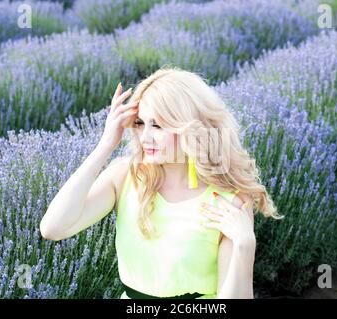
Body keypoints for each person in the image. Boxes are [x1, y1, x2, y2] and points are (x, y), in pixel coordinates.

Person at [40, 66, 282, 299]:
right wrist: (105, 146)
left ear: (191, 127)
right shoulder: (125, 176)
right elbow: (53, 228)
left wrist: (245, 245)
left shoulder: (229, 200)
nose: (145, 137)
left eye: (158, 125)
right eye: (140, 123)